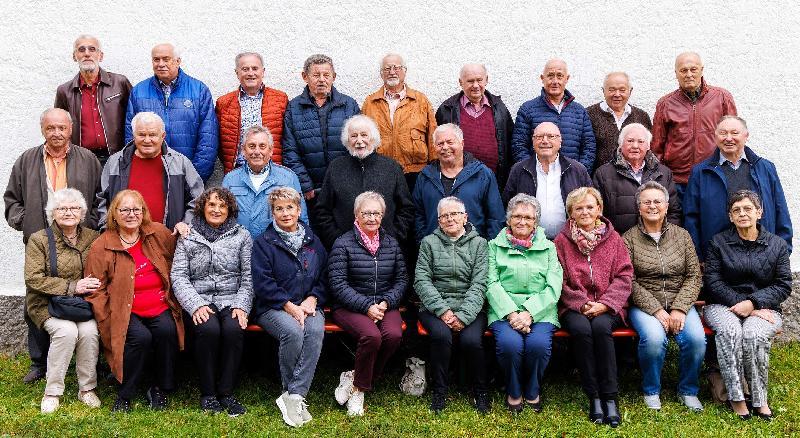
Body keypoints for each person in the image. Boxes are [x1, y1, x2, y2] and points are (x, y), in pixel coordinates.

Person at [4, 107, 102, 383]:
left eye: (62, 128)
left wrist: (91, 224)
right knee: (36, 297)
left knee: (83, 293)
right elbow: (12, 199)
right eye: (51, 128)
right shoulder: (26, 160)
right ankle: (39, 363)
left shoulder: (88, 159)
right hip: (40, 239)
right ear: (42, 129)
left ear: (70, 129)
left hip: (78, 240)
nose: (56, 133)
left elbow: (100, 199)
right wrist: (26, 222)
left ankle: (89, 359)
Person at [84, 190, 182, 413]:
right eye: (124, 210)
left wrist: (183, 229)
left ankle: (160, 387)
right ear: (114, 215)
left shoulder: (157, 233)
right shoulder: (102, 245)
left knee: (167, 331)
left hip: (159, 303)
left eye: (136, 209)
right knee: (141, 338)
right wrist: (106, 316)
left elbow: (181, 254)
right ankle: (126, 392)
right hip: (124, 309)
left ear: (143, 212)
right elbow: (94, 288)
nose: (131, 214)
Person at [703, 190, 792, 421]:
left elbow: (783, 285)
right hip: (722, 305)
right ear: (730, 217)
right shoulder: (718, 243)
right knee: (731, 331)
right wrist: (740, 304)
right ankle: (737, 397)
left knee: (753, 334)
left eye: (748, 209)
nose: (742, 214)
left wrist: (753, 303)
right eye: (736, 210)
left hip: (764, 308)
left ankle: (760, 399)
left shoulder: (777, 245)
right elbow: (712, 282)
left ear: (759, 213)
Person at [622, 181, 704, 411]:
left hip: (681, 302)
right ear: (639, 208)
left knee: (696, 339)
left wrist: (679, 308)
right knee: (655, 339)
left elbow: (694, 276)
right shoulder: (628, 239)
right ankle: (651, 390)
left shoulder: (682, 235)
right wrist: (656, 310)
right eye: (646, 202)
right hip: (645, 304)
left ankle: (688, 390)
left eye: (657, 201)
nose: (652, 206)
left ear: (667, 206)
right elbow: (628, 280)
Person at [554, 187, 633, 427]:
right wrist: (581, 302)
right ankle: (594, 396)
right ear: (571, 213)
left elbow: (624, 275)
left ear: (599, 209)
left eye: (590, 207)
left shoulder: (614, 239)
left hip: (609, 306)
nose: (585, 212)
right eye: (579, 208)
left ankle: (610, 396)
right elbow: (559, 278)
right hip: (574, 306)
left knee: (600, 328)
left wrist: (605, 304)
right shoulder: (561, 241)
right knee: (581, 330)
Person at [171, 187, 252, 416]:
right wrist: (195, 304)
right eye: (212, 205)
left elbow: (248, 277)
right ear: (202, 208)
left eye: (222, 206)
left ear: (230, 210)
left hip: (231, 298)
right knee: (208, 329)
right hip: (199, 297)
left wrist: (241, 305)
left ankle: (226, 392)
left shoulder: (241, 235)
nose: (216, 210)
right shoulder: (188, 235)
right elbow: (178, 276)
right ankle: (208, 393)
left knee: (234, 329)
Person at [251, 187, 328, 427]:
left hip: (308, 303)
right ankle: (291, 392)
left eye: (290, 207)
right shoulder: (263, 243)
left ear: (299, 209)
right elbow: (263, 283)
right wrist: (288, 306)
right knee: (293, 332)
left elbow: (325, 276)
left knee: (314, 331)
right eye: (279, 209)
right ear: (272, 212)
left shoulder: (313, 240)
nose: (285, 213)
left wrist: (313, 298)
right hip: (273, 306)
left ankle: (294, 395)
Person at [328, 191, 407, 416]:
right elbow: (337, 283)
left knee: (394, 335)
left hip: (384, 304)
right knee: (371, 336)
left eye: (376, 213)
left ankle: (355, 378)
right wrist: (366, 306)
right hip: (349, 306)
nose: (371, 218)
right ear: (356, 215)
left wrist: (386, 301)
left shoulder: (391, 243)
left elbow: (401, 279)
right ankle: (360, 390)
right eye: (366, 213)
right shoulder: (343, 243)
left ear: (383, 216)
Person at [24, 188, 101, 413]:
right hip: (45, 303)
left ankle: (87, 389)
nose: (68, 212)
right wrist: (72, 287)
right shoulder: (39, 240)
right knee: (66, 332)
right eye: (62, 208)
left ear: (82, 212)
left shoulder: (92, 237)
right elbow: (33, 279)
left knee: (89, 331)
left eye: (74, 207)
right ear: (53, 213)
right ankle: (52, 391)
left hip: (81, 305)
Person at [486, 194, 562, 414]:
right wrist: (512, 314)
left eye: (528, 217)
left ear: (536, 222)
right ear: (508, 220)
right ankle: (513, 389)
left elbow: (553, 286)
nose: (522, 222)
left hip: (540, 311)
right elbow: (491, 283)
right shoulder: (494, 246)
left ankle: (532, 388)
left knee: (538, 346)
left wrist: (529, 313)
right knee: (511, 345)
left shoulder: (549, 247)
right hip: (504, 310)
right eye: (517, 216)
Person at [414, 197, 490, 414]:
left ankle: (480, 390)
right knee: (441, 336)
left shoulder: (480, 244)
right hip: (434, 307)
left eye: (455, 214)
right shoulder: (429, 243)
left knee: (472, 340)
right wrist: (444, 311)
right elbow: (421, 280)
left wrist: (464, 315)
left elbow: (481, 282)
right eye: (444, 216)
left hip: (472, 307)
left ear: (465, 217)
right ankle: (440, 390)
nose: (450, 219)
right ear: (438, 221)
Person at [684, 116, 792, 260]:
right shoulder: (700, 173)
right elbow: (691, 218)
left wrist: (783, 251)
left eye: (735, 133)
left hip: (764, 255)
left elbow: (781, 210)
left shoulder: (765, 168)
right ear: (715, 137)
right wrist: (697, 257)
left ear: (746, 136)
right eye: (723, 133)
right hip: (718, 257)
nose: (729, 138)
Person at [98, 111, 204, 236]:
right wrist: (107, 228)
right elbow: (102, 199)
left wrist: (186, 224)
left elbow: (199, 200)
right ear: (133, 135)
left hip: (168, 240)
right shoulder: (116, 162)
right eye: (142, 135)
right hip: (124, 241)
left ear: (163, 135)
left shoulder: (180, 163)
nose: (147, 140)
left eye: (152, 135)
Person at [316, 115, 414, 248]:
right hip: (345, 250)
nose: (359, 141)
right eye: (354, 136)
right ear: (347, 140)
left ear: (372, 138)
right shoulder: (336, 167)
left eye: (364, 135)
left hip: (386, 249)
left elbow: (406, 209)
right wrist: (337, 240)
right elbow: (322, 210)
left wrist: (393, 237)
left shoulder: (391, 167)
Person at [125, 43, 219, 181]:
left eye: (166, 59)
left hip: (188, 175)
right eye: (156, 59)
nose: (161, 64)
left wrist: (193, 177)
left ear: (178, 61)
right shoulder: (139, 91)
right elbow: (130, 136)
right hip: (149, 176)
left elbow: (208, 139)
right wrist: (142, 171)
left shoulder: (199, 90)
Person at [651, 52, 737, 197]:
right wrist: (659, 179)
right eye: (683, 70)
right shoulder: (665, 104)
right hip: (677, 182)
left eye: (693, 69)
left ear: (701, 70)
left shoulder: (722, 97)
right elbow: (657, 146)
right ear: (676, 73)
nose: (689, 74)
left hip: (713, 176)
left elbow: (734, 137)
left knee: (712, 219)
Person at [281, 54, 360, 208]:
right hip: (311, 192)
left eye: (326, 75)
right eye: (316, 75)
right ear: (305, 77)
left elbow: (359, 147)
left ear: (334, 77)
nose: (322, 80)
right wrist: (305, 185)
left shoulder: (349, 105)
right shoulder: (294, 107)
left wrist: (348, 182)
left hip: (344, 188)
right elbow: (290, 150)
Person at [413, 124, 505, 242]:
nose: (445, 147)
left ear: (462, 143)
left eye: (450, 142)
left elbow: (495, 217)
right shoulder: (425, 177)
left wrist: (486, 248)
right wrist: (424, 243)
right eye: (440, 144)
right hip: (435, 252)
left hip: (474, 252)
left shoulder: (482, 174)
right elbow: (418, 216)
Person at [361, 53, 437, 192]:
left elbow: (433, 135)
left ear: (404, 71)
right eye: (387, 68)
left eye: (396, 67)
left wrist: (435, 168)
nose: (392, 72)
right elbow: (363, 138)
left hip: (416, 171)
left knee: (415, 211)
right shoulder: (370, 103)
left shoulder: (420, 100)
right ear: (381, 74)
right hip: (380, 171)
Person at [502, 122, 592, 239]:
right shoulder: (518, 170)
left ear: (560, 141)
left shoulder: (577, 170)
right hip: (530, 244)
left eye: (551, 136)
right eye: (539, 137)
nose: (545, 141)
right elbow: (507, 205)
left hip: (570, 242)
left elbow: (592, 205)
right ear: (533, 142)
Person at [54, 34, 132, 165]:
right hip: (81, 161)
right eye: (81, 50)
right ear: (74, 57)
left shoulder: (120, 83)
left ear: (100, 56)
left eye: (92, 49)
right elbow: (60, 127)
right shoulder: (64, 91)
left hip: (117, 158)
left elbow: (134, 118)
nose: (87, 54)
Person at [435, 63, 515, 189]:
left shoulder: (499, 107)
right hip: (459, 182)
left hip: (496, 182)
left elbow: (510, 141)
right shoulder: (447, 109)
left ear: (486, 80)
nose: (476, 85)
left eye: (479, 80)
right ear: (461, 82)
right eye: (470, 81)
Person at [593, 123, 681, 234]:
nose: (635, 146)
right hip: (619, 243)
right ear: (621, 144)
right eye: (630, 141)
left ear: (648, 146)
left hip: (657, 243)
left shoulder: (664, 173)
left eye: (641, 142)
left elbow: (674, 212)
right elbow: (597, 216)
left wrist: (665, 239)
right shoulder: (603, 174)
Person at [222, 125, 307, 238]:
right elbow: (222, 219)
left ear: (271, 150)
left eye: (262, 146)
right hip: (240, 250)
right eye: (252, 146)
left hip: (276, 250)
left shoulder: (287, 178)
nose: (257, 151)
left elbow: (302, 219)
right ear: (243, 150)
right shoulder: (230, 179)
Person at [511, 59, 596, 171]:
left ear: (567, 79)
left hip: (572, 179)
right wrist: (532, 172)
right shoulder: (527, 109)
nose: (555, 81)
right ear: (542, 78)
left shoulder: (579, 111)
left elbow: (589, 147)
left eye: (559, 76)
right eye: (550, 76)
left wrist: (578, 173)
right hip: (537, 179)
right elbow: (518, 146)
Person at [216, 52, 288, 173]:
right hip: (237, 169)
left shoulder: (280, 99)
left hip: (273, 170)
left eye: (255, 68)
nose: (250, 73)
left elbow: (288, 138)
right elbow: (219, 143)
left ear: (263, 71)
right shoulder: (223, 103)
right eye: (245, 69)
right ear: (237, 73)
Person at [586, 72, 652, 170]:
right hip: (599, 179)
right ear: (603, 91)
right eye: (611, 90)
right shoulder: (589, 114)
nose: (617, 94)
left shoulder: (642, 116)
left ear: (630, 91)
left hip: (634, 179)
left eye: (622, 90)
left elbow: (649, 149)